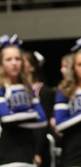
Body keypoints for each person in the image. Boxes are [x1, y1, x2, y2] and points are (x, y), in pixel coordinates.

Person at [0, 35, 47, 167]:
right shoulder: (1, 87)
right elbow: (6, 119)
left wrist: (16, 116)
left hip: (28, 151)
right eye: (8, 59)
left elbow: (42, 120)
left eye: (18, 59)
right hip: (7, 151)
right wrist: (31, 114)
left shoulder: (28, 87)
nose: (14, 63)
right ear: (1, 63)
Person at [54, 38, 81, 167]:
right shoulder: (65, 90)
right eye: (80, 64)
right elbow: (59, 124)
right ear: (74, 67)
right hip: (74, 151)